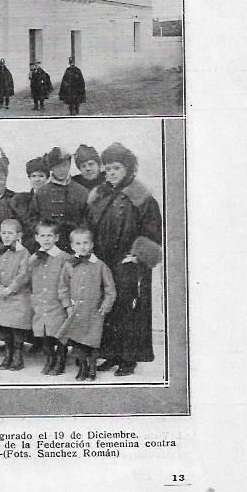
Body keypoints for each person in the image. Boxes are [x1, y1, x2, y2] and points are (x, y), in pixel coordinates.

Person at [89, 142, 162, 377]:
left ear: (128, 169)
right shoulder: (99, 195)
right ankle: (111, 353)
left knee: (128, 309)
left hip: (128, 263)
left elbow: (152, 229)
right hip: (104, 260)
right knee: (107, 306)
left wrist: (138, 255)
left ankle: (129, 359)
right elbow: (89, 225)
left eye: (117, 168)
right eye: (108, 168)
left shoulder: (141, 197)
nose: (111, 173)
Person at [57, 227, 117, 381]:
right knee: (77, 340)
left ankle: (92, 368)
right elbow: (63, 287)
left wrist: (106, 304)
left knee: (92, 341)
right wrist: (67, 306)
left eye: (85, 243)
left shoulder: (100, 265)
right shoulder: (69, 265)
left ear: (92, 245)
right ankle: (82, 366)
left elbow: (110, 288)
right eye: (78, 243)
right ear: (72, 246)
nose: (82, 246)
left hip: (94, 311)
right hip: (76, 311)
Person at [0, 217, 32, 370]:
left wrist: (10, 288)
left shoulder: (24, 253)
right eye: (4, 233)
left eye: (10, 233)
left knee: (16, 327)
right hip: (0, 295)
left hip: (17, 296)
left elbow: (23, 274)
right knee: (5, 327)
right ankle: (8, 354)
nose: (6, 236)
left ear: (19, 235)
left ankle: (18, 355)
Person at [28, 220, 69, 375]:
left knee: (60, 331)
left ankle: (60, 359)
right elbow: (27, 276)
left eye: (49, 236)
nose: (46, 239)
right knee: (43, 331)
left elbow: (70, 279)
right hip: (40, 301)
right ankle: (50, 358)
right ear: (37, 238)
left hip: (57, 301)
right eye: (42, 236)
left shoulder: (64, 257)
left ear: (56, 238)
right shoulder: (33, 259)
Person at [29, 147, 89, 252]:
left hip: (75, 248)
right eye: (57, 166)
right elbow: (32, 220)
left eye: (64, 165)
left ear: (69, 165)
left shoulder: (81, 191)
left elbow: (87, 221)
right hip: (49, 248)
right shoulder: (41, 193)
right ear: (51, 168)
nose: (61, 169)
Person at [9, 156, 50, 234]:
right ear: (29, 178)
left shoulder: (53, 198)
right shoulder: (20, 200)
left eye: (41, 176)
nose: (37, 179)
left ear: (47, 178)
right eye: (33, 176)